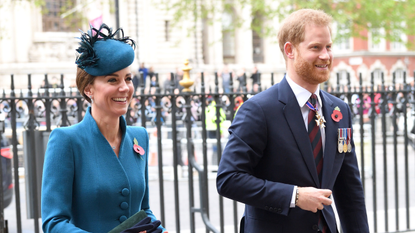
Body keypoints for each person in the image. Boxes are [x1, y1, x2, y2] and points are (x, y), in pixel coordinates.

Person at [216, 9, 369, 233]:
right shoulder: (258, 110)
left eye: (328, 47)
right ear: (290, 50)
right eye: (315, 47)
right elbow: (229, 179)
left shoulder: (340, 110)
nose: (326, 55)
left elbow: (350, 190)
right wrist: (294, 196)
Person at [41, 23, 167, 233]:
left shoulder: (140, 137)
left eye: (128, 78)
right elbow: (54, 223)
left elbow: (143, 211)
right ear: (88, 88)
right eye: (112, 80)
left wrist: (159, 230)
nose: (124, 88)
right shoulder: (66, 140)